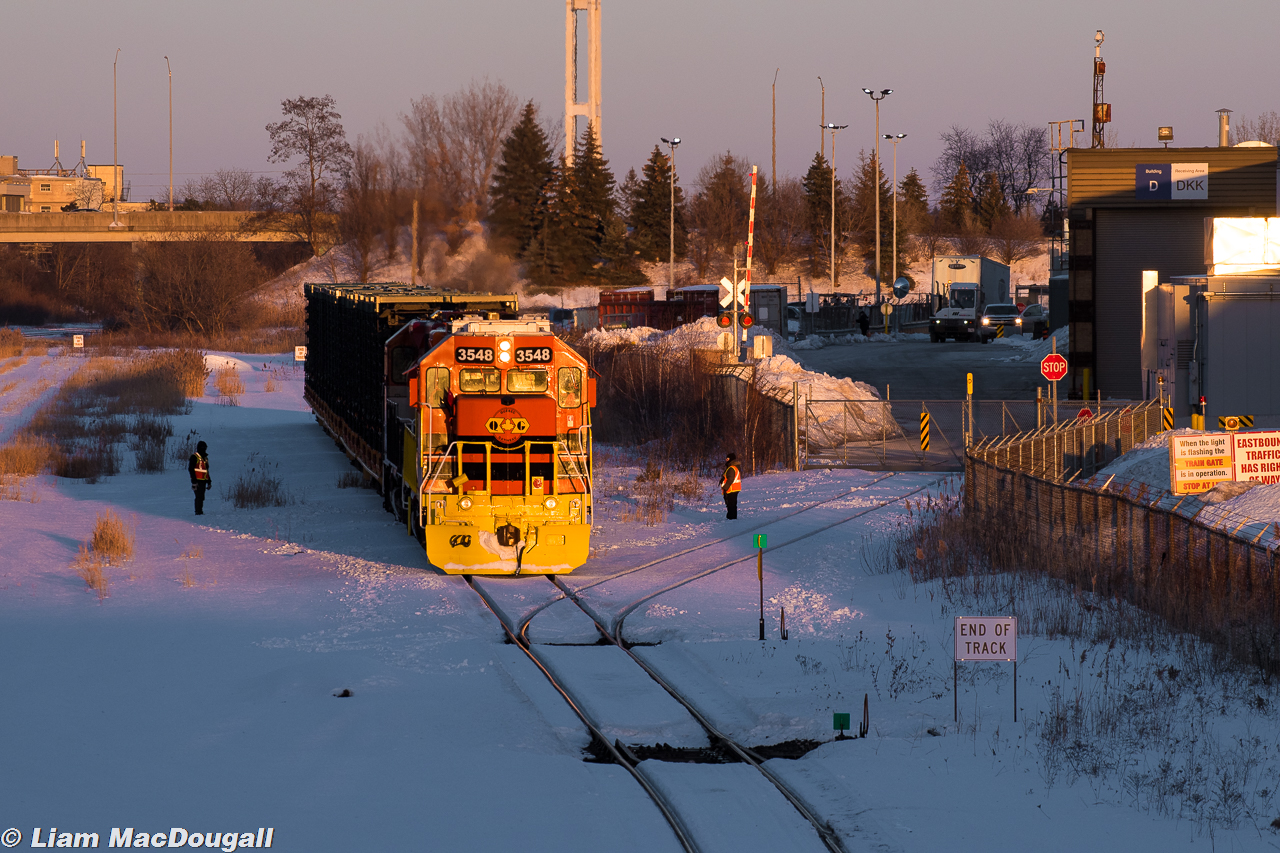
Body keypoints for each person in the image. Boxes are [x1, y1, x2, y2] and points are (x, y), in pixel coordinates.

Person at [188, 440, 211, 515]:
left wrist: (209, 482)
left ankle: (199, 511)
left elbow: (206, 471)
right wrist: (194, 481)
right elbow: (191, 469)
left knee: (201, 497)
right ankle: (198, 512)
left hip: (203, 481)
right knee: (199, 496)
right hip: (197, 481)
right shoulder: (194, 457)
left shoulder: (204, 458)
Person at [720, 452, 741, 520]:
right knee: (732, 505)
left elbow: (730, 479)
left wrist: (725, 488)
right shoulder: (733, 467)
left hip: (731, 489)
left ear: (731, 459)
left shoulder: (731, 468)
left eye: (728, 458)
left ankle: (730, 518)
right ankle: (733, 518)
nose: (726, 460)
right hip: (733, 489)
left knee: (731, 505)